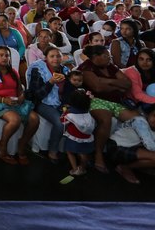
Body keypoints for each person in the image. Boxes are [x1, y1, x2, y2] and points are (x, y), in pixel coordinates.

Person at [78, 45, 137, 173]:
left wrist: (106, 81)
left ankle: (131, 153)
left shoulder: (110, 66)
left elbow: (127, 84)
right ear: (95, 57)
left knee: (137, 119)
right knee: (106, 120)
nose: (110, 57)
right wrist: (115, 83)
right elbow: (97, 88)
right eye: (106, 55)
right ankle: (99, 154)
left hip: (115, 102)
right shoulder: (86, 68)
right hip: (96, 100)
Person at [0, 46, 39, 165]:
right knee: (14, 120)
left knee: (34, 119)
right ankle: (3, 147)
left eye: (7, 55)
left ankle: (22, 145)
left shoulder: (13, 72)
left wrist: (21, 96)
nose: (5, 58)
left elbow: (19, 90)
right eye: (1, 55)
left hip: (13, 101)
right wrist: (2, 100)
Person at [26, 46, 68, 163]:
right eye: (52, 56)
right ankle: (53, 150)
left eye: (58, 56)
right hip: (42, 103)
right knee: (60, 122)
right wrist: (51, 82)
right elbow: (37, 95)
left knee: (76, 116)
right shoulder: (38, 69)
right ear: (46, 58)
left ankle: (72, 150)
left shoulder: (64, 70)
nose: (56, 59)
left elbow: (69, 91)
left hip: (61, 102)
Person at [61, 88, 96, 176]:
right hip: (87, 138)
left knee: (69, 152)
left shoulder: (70, 114)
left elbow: (63, 121)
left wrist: (64, 112)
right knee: (84, 153)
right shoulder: (87, 112)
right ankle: (82, 168)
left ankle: (75, 169)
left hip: (74, 137)